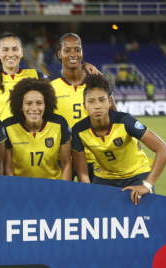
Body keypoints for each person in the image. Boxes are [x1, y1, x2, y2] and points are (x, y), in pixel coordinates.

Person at [71, 75, 166, 205]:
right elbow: (82, 172)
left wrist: (147, 185)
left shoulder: (125, 121)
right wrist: (90, 192)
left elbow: (164, 150)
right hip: (105, 177)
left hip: (137, 174)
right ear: (84, 105)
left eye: (102, 100)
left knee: (144, 219)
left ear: (109, 102)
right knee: (96, 215)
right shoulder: (79, 130)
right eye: (91, 101)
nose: (97, 106)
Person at [48, 33, 118, 181]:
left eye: (77, 49)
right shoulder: (48, 85)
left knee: (95, 201)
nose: (73, 54)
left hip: (95, 156)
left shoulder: (98, 81)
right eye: (67, 50)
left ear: (82, 53)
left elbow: (115, 116)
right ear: (59, 54)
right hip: (60, 158)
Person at [3, 78, 72, 180]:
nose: (34, 108)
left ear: (45, 105)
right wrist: (15, 189)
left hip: (53, 186)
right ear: (21, 106)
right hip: (21, 187)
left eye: (39, 103)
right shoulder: (8, 126)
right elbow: (7, 167)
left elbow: (66, 163)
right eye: (28, 103)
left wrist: (63, 190)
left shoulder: (59, 123)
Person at [0, 31, 47, 122]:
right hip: (0, 135)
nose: (11, 54)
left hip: (28, 135)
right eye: (5, 50)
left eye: (15, 49)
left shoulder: (37, 76)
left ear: (21, 52)